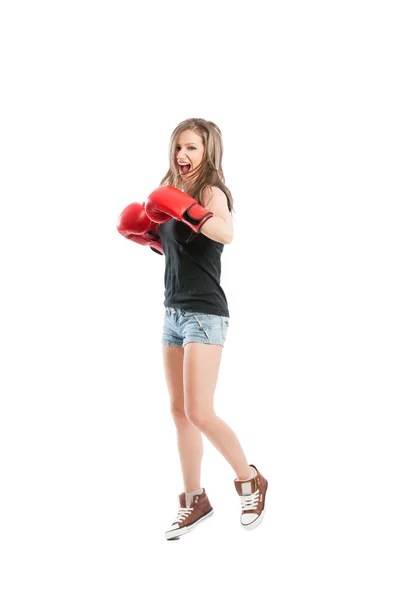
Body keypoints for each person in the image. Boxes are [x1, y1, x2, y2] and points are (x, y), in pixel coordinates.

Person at [117, 118, 268, 541]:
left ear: (207, 153)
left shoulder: (210, 192)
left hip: (205, 313)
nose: (182, 156)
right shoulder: (171, 196)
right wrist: (149, 238)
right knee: (179, 412)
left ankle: (250, 480)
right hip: (173, 314)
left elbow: (224, 233)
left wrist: (187, 209)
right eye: (178, 147)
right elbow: (184, 251)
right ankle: (193, 499)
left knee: (200, 411)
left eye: (192, 149)